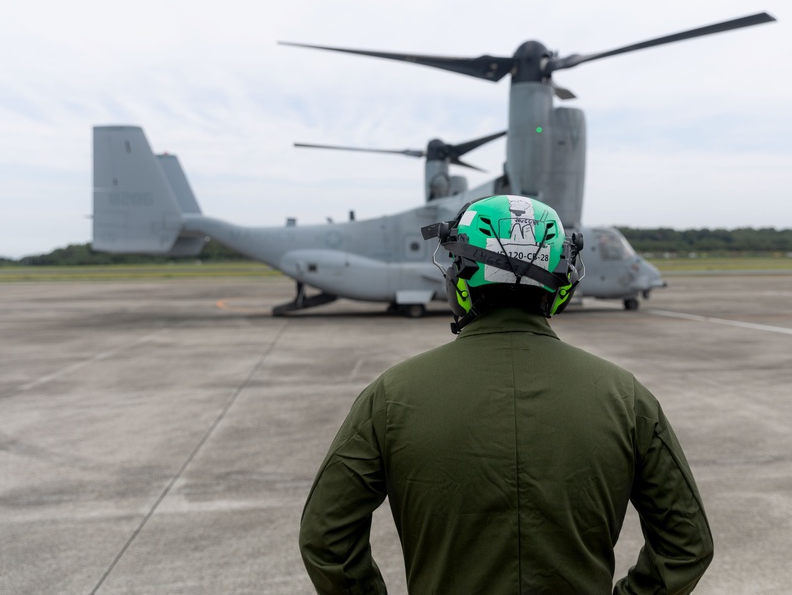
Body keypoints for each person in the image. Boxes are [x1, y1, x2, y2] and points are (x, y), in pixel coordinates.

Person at [299, 195, 713, 594]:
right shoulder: (627, 397)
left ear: (459, 282)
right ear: (561, 287)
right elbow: (686, 545)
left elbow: (326, 537)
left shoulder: (390, 395)